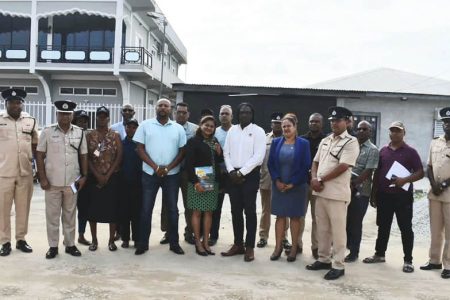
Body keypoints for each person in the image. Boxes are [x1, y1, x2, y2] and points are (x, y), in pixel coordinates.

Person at [306, 106, 359, 280]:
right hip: (320, 192)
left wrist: (320, 180)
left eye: (338, 120)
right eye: (332, 121)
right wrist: (314, 178)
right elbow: (315, 162)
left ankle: (338, 264)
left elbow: (343, 166)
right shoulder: (326, 140)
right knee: (322, 229)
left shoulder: (351, 142)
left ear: (348, 122)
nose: (334, 123)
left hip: (336, 194)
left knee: (338, 231)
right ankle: (323, 259)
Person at [363, 121, 423, 273]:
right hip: (384, 196)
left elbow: (420, 172)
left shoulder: (411, 152)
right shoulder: (383, 151)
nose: (395, 133)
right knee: (383, 226)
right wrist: (374, 192)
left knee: (406, 228)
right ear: (389, 133)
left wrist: (405, 180)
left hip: (403, 197)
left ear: (404, 133)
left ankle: (408, 260)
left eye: (398, 131)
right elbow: (377, 172)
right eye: (392, 131)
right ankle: (379, 254)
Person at [134, 98, 186, 255]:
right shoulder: (145, 125)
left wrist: (168, 168)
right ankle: (143, 243)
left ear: (171, 110)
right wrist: (155, 167)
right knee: (146, 209)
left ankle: (174, 243)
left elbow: (182, 151)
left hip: (172, 175)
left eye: (166, 106)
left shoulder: (178, 128)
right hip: (150, 174)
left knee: (172, 210)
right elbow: (140, 149)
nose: (163, 108)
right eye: (160, 105)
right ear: (156, 108)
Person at [36, 100, 88, 259]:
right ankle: (53, 246)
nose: (65, 116)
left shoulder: (79, 132)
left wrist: (84, 176)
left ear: (72, 115)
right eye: (61, 113)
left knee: (70, 214)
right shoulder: (47, 132)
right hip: (52, 182)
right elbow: (39, 155)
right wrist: (42, 177)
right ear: (57, 114)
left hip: (72, 182)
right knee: (52, 215)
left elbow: (83, 155)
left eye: (68, 113)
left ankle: (70, 244)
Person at [221, 102, 265, 262]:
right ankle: (238, 244)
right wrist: (232, 171)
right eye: (241, 112)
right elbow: (226, 152)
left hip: (249, 176)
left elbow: (258, 156)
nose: (244, 115)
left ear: (252, 114)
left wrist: (241, 172)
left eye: (247, 112)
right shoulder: (232, 130)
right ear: (237, 114)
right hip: (233, 176)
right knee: (235, 211)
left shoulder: (258, 131)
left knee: (250, 212)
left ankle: (250, 247)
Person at [267, 113, 311, 262]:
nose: (285, 128)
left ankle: (293, 249)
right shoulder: (276, 142)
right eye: (283, 126)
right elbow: (271, 164)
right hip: (279, 186)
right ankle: (277, 247)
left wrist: (293, 183)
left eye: (288, 126)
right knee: (280, 217)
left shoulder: (304, 144)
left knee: (295, 217)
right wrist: (277, 181)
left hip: (297, 186)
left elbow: (306, 166)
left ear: (295, 127)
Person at [0, 88, 38, 256]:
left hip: (25, 172)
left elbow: (36, 146)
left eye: (18, 102)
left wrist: (37, 167)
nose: (15, 105)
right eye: (11, 102)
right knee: (3, 209)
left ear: (22, 104)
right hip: (3, 172)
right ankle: (4, 241)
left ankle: (21, 239)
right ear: (5, 103)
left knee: (23, 208)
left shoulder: (30, 121)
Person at [86, 106, 123, 252]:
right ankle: (94, 240)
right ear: (96, 118)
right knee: (93, 210)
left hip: (111, 177)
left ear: (108, 118)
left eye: (104, 116)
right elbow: (87, 157)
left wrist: (107, 175)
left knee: (112, 211)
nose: (102, 119)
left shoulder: (115, 135)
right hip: (94, 177)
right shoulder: (90, 135)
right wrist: (97, 175)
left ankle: (111, 241)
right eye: (99, 116)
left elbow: (119, 156)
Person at [160, 102, 198, 245]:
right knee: (168, 204)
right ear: (174, 113)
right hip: (171, 172)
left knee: (190, 204)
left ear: (188, 114)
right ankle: (168, 233)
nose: (181, 114)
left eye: (184, 112)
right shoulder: (168, 128)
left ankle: (190, 232)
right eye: (179, 112)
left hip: (188, 173)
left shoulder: (195, 130)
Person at [185, 115, 223, 256]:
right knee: (197, 212)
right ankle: (198, 243)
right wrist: (196, 182)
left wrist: (220, 153)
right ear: (200, 125)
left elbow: (219, 159)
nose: (209, 128)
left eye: (212, 126)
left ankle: (206, 242)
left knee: (209, 212)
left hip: (212, 180)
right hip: (199, 178)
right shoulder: (193, 142)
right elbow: (188, 164)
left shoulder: (214, 141)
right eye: (206, 125)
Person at [421, 107, 450, 279]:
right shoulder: (435, 142)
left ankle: (448, 264)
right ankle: (434, 260)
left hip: (449, 194)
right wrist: (434, 184)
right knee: (435, 229)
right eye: (445, 122)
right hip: (435, 194)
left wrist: (444, 184)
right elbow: (429, 166)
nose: (447, 125)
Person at [345, 121, 379, 262]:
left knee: (355, 222)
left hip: (360, 190)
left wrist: (354, 183)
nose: (360, 131)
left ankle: (354, 252)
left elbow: (368, 170)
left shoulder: (373, 149)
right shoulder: (350, 145)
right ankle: (346, 246)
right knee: (344, 220)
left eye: (364, 129)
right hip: (345, 187)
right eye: (358, 128)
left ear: (370, 132)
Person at [257, 112, 291, 249]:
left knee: (283, 211)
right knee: (266, 210)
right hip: (266, 179)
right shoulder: (264, 139)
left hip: (283, 181)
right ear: (271, 124)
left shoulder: (289, 139)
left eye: (279, 123)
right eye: (275, 123)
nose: (277, 125)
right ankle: (263, 237)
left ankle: (283, 238)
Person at [298, 113, 326, 259]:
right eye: (311, 121)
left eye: (317, 121)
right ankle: (297, 244)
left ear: (321, 124)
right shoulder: (302, 140)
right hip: (302, 184)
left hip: (319, 185)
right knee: (299, 215)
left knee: (318, 218)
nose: (314, 124)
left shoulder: (327, 141)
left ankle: (316, 247)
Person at [209, 104, 233, 246]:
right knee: (215, 207)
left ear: (231, 116)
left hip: (233, 174)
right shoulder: (214, 132)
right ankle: (213, 235)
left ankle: (238, 240)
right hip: (217, 174)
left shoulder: (237, 131)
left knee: (236, 208)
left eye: (227, 114)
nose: (224, 116)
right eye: (222, 113)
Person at [119, 118, 142, 248]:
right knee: (124, 212)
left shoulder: (141, 144)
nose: (131, 129)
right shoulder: (121, 143)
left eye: (134, 127)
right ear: (125, 128)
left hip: (138, 184)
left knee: (136, 212)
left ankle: (137, 238)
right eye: (128, 127)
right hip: (123, 183)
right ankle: (125, 239)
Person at [72, 110, 92, 246]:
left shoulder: (90, 136)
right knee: (69, 209)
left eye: (85, 121)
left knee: (84, 208)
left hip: (86, 178)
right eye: (80, 120)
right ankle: (67, 236)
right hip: (71, 176)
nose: (83, 123)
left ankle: (81, 235)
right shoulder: (70, 135)